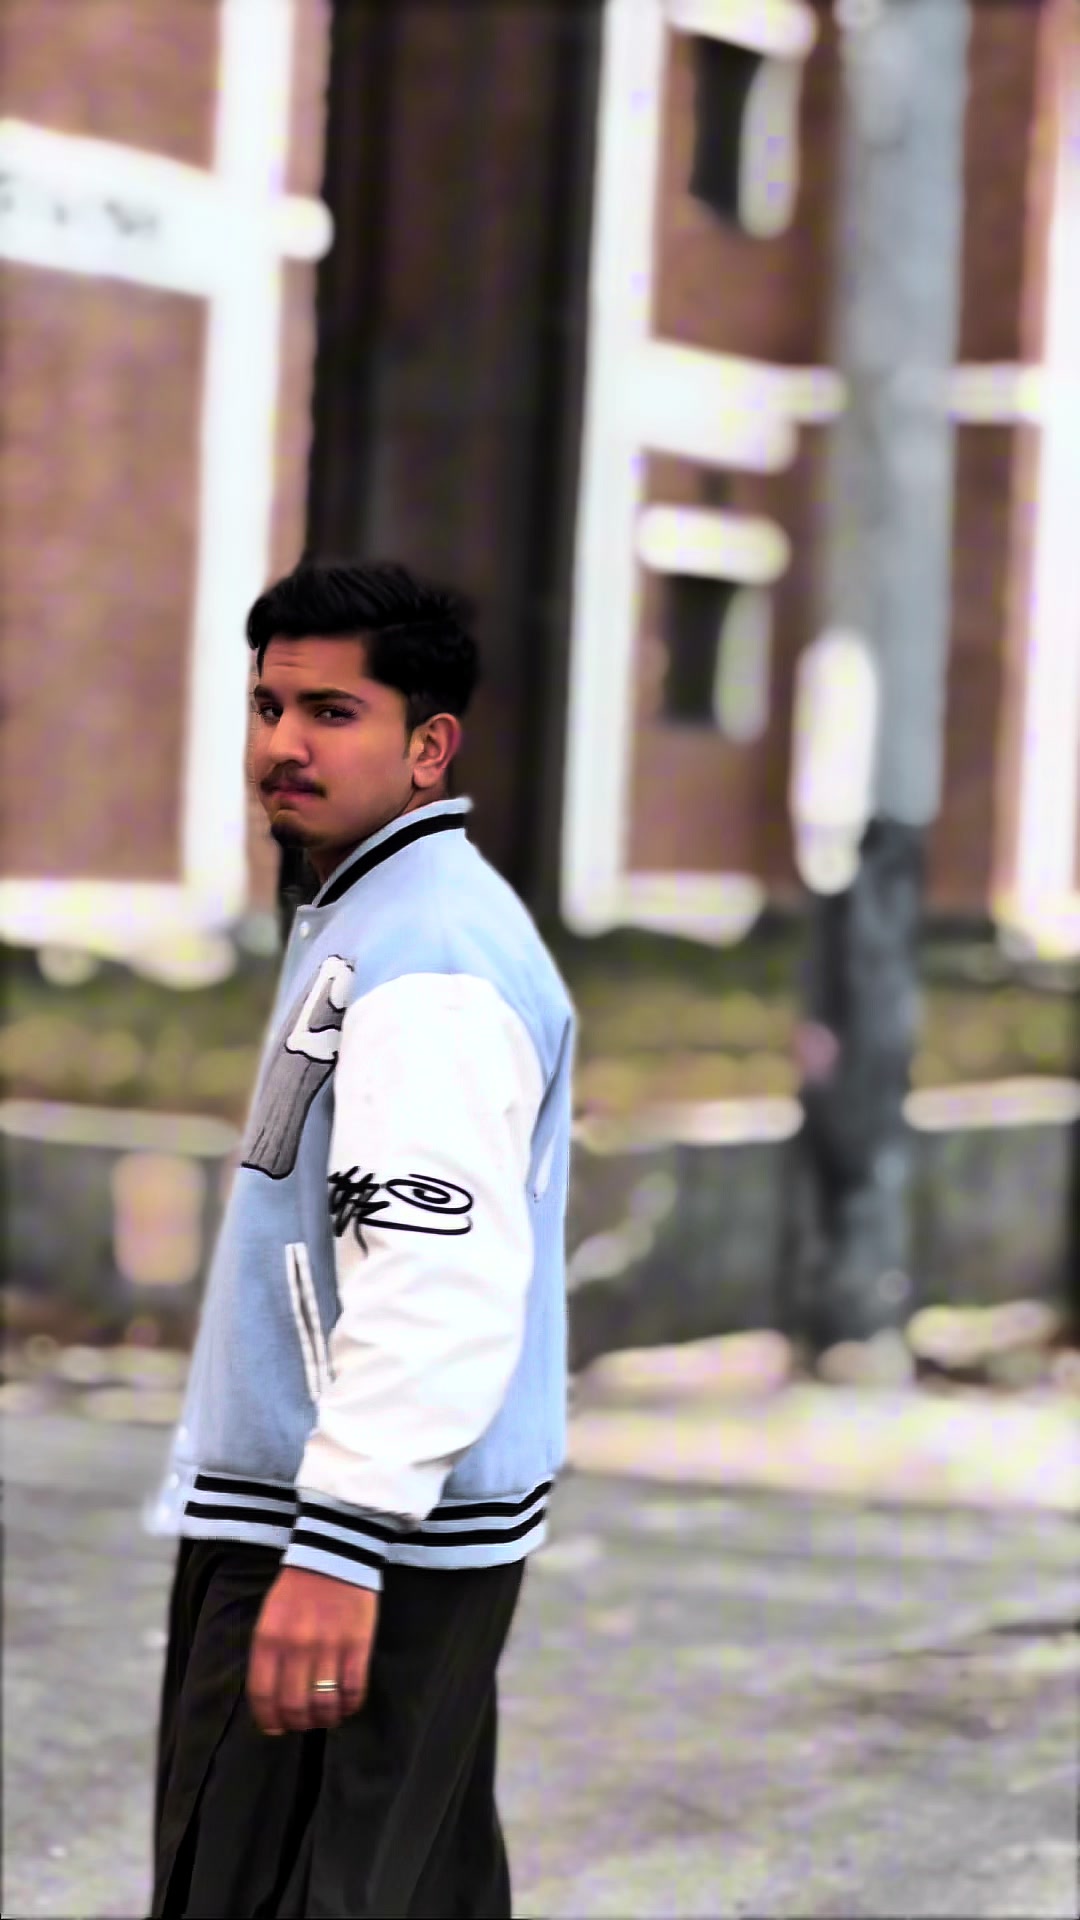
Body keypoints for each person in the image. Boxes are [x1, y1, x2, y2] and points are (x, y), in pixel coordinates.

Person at [148, 560, 576, 1918]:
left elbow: (436, 1277)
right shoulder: (376, 914)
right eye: (269, 705)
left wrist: (335, 1546)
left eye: (332, 712)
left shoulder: (431, 956)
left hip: (346, 1532)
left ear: (428, 745)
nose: (284, 743)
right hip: (378, 1522)